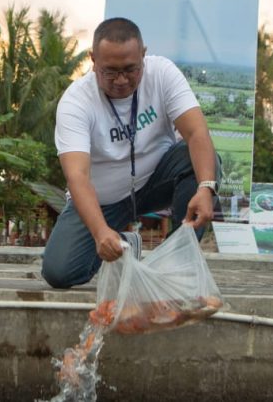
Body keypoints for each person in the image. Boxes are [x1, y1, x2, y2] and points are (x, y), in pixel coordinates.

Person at [41, 17, 220, 289]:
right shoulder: (76, 101)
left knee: (199, 162)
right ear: (93, 60)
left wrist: (206, 188)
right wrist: (100, 232)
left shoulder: (162, 74)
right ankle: (121, 243)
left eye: (130, 69)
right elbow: (77, 175)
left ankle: (177, 263)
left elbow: (197, 133)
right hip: (103, 200)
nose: (122, 80)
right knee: (59, 272)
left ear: (143, 55)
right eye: (110, 72)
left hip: (154, 181)